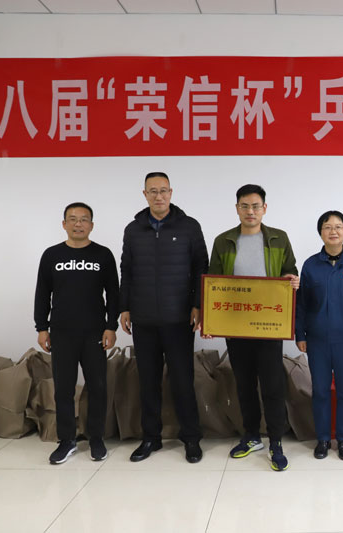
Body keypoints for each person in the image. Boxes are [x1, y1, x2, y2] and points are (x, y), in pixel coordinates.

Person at [119, 172, 209, 463]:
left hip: (179, 318)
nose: (158, 196)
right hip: (143, 319)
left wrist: (198, 305)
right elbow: (126, 270)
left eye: (163, 190)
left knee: (183, 381)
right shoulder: (133, 229)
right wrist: (125, 307)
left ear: (171, 193)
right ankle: (151, 438)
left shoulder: (189, 226)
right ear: (144, 194)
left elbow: (201, 268)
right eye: (153, 191)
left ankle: (191, 438)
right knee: (148, 382)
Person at [209, 184, 299, 471]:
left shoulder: (278, 238)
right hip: (235, 324)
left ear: (264, 208)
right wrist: (211, 320)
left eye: (255, 206)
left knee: (272, 385)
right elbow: (213, 282)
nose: (250, 211)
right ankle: (251, 436)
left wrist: (292, 280)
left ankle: (275, 441)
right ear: (237, 209)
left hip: (269, 324)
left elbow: (290, 270)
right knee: (244, 383)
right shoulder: (224, 241)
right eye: (245, 206)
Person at [34, 202, 119, 465]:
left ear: (91, 225)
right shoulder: (52, 255)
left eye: (83, 219)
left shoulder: (103, 255)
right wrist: (42, 327)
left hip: (95, 332)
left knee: (98, 387)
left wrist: (111, 326)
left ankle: (96, 438)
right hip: (62, 332)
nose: (78, 224)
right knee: (63, 388)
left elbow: (114, 294)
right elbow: (42, 293)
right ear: (64, 224)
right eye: (72, 219)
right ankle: (67, 440)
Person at [295, 211, 343, 461]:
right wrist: (300, 334)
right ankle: (322, 439)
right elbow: (301, 304)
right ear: (321, 232)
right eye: (327, 227)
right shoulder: (310, 265)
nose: (333, 231)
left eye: (338, 227)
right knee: (320, 390)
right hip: (317, 340)